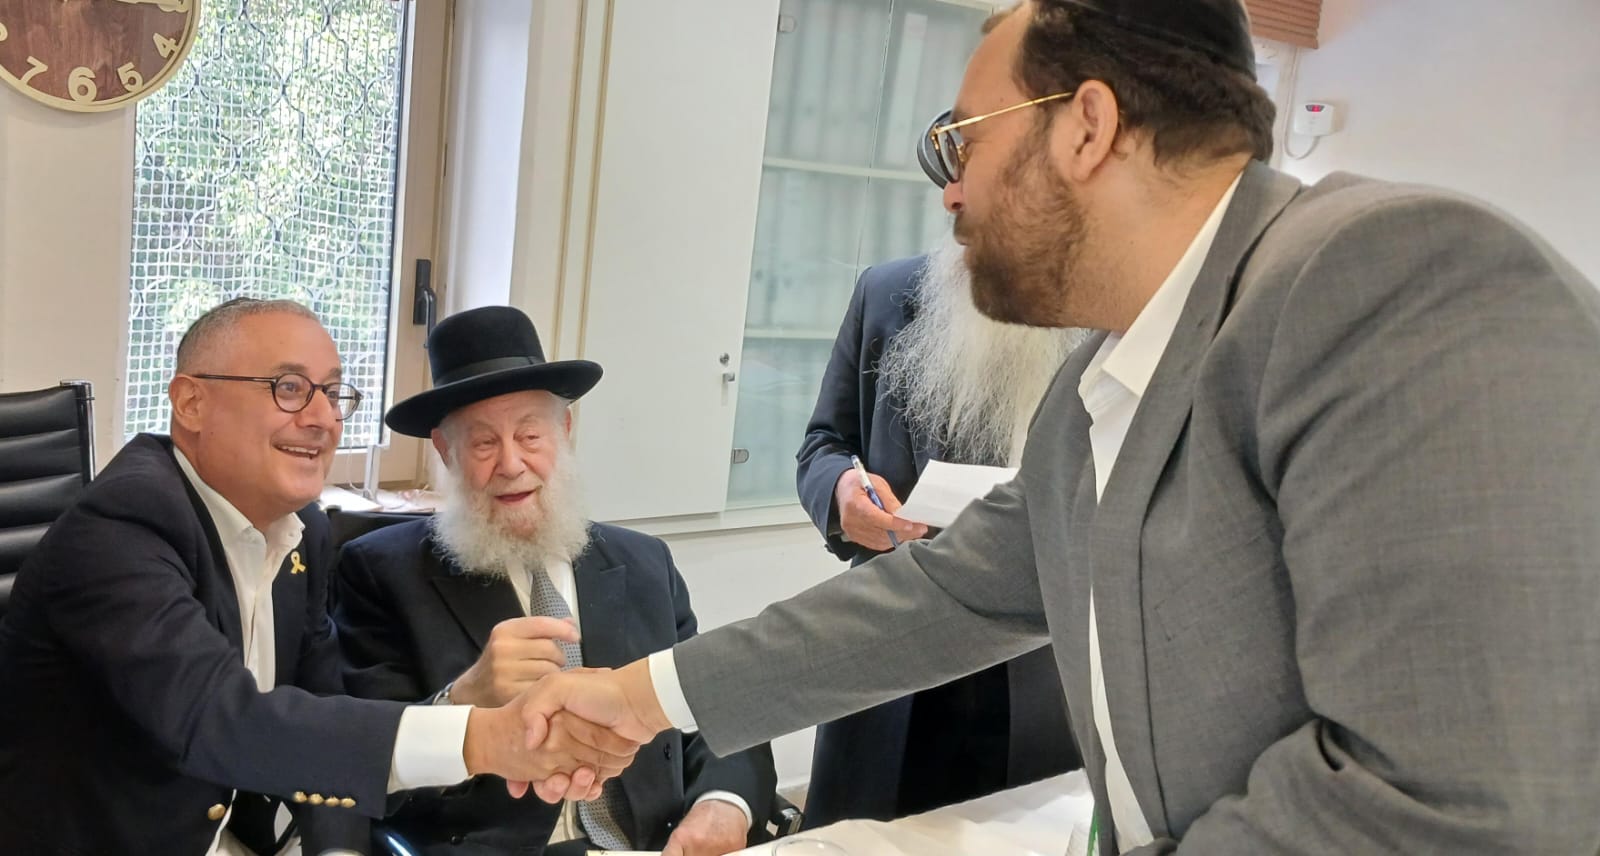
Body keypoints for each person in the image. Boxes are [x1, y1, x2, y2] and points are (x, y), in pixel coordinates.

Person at [513, 1, 1600, 852]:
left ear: (1087, 127)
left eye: (961, 142)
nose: (949, 193)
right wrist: (637, 696)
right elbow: (943, 597)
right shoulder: (1101, 386)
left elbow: (1449, 800)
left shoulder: (1389, 277)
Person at [0, 298, 633, 855]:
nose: (324, 418)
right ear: (191, 402)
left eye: (332, 393)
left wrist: (338, 851)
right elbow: (221, 721)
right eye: (289, 388)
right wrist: (485, 737)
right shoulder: (122, 525)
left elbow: (326, 714)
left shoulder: (303, 530)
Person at [334, 305, 775, 856]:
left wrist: (723, 804)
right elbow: (358, 766)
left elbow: (713, 705)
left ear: (564, 432)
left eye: (529, 434)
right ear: (446, 453)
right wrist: (461, 699)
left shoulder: (646, 563)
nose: (511, 464)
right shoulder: (380, 573)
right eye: (483, 443)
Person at [795, 240, 1083, 824]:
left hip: (1034, 664)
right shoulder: (885, 292)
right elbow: (824, 444)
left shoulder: (1096, 309)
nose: (955, 200)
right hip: (890, 641)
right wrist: (843, 492)